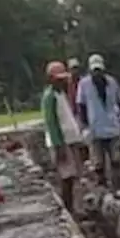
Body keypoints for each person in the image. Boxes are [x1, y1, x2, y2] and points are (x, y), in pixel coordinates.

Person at [75, 53, 120, 188]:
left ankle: (117, 184)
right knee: (98, 162)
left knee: (116, 158)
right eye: (95, 71)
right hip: (95, 128)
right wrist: (84, 125)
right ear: (90, 70)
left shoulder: (112, 82)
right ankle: (102, 187)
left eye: (99, 70)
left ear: (103, 69)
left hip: (112, 127)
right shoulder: (84, 84)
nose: (97, 73)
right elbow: (81, 106)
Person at [40, 60, 82, 211]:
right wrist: (59, 146)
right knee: (67, 177)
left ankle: (74, 207)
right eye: (59, 79)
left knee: (73, 176)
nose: (62, 81)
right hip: (60, 143)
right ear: (51, 79)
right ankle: (68, 208)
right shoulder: (49, 96)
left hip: (68, 140)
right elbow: (52, 123)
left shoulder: (60, 93)